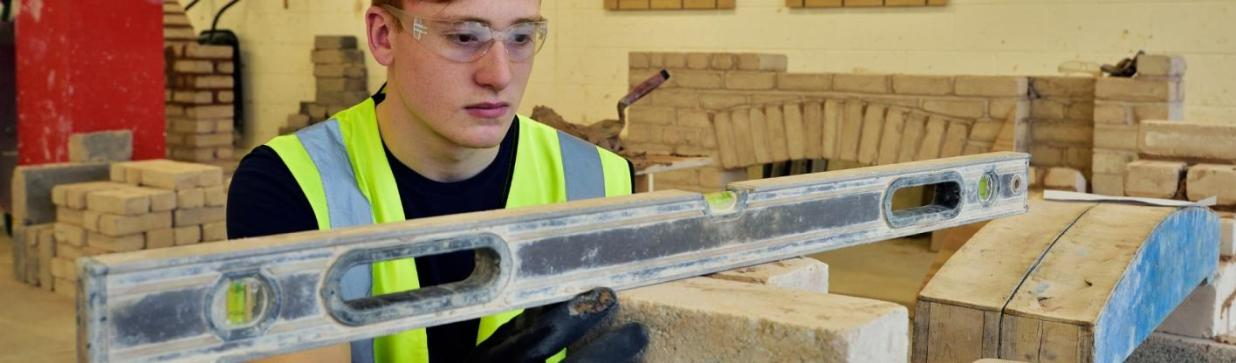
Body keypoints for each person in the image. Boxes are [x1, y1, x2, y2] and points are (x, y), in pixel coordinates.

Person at [226, 0, 647, 362]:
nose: (499, 75)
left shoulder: (600, 179)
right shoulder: (288, 185)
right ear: (384, 36)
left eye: (520, 37)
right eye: (465, 37)